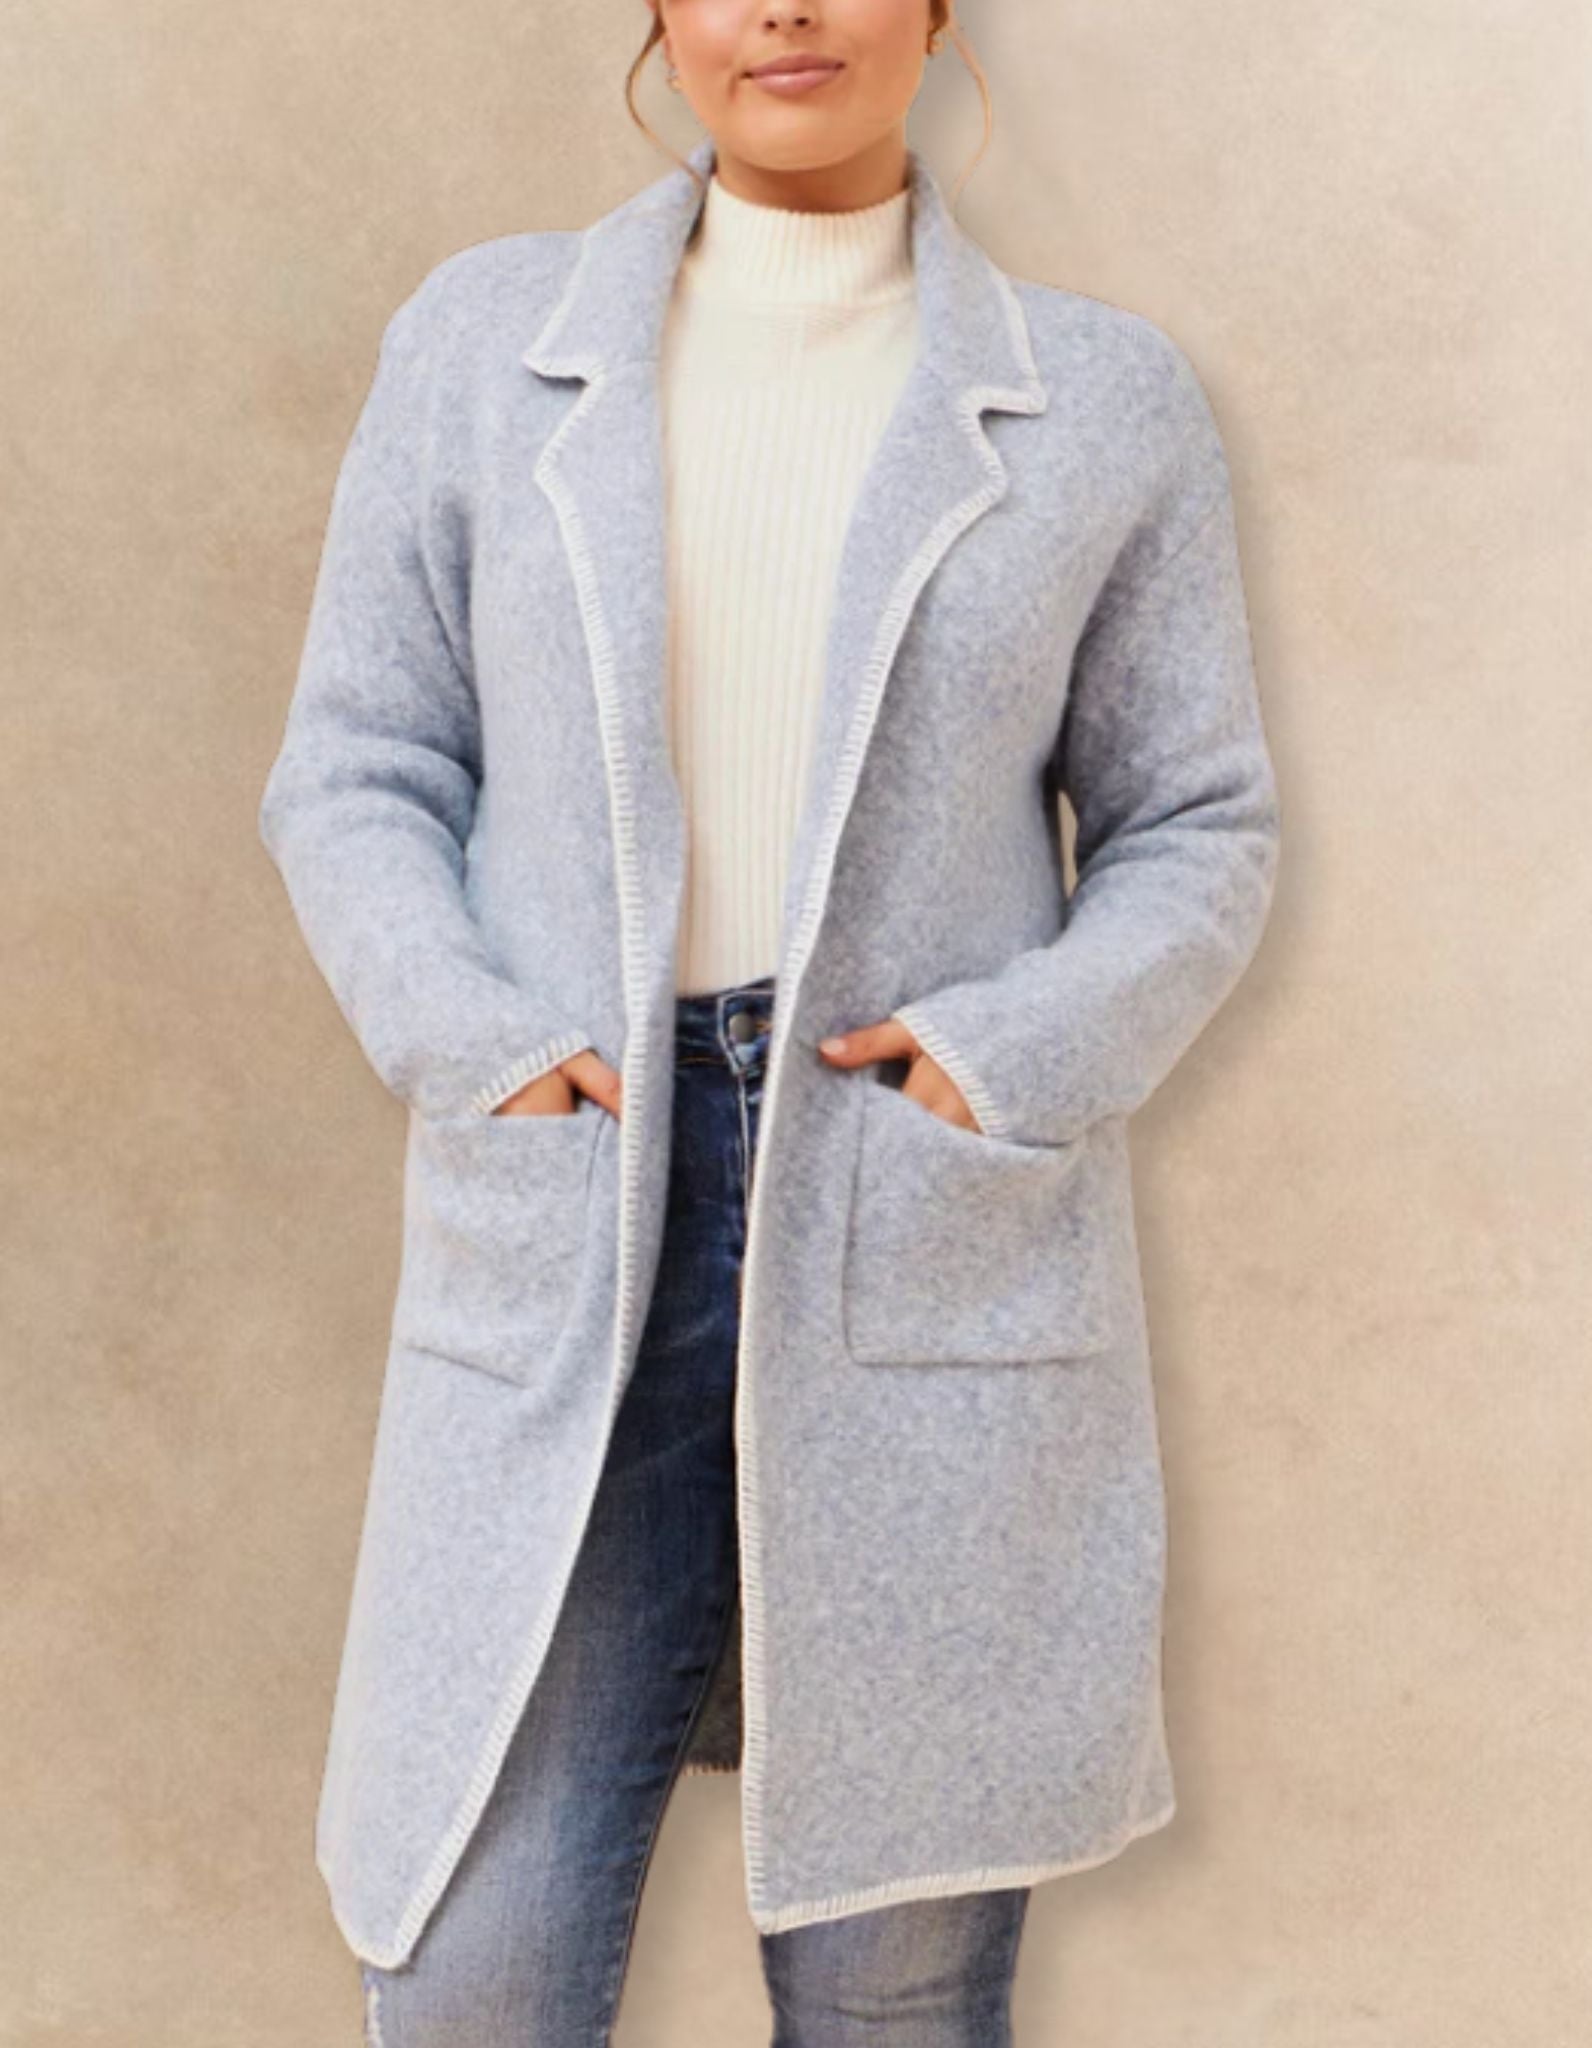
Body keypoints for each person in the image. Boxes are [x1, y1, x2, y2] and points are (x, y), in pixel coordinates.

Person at [261, 2, 1280, 2041]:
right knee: (470, 1971)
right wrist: (475, 1047)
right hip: (574, 1181)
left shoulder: (1100, 399)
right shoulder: (485, 344)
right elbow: (361, 762)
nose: (786, 10)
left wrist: (1002, 1063)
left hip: (907, 1215)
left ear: (936, 12)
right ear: (660, 16)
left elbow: (1197, 828)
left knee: (895, 1982)